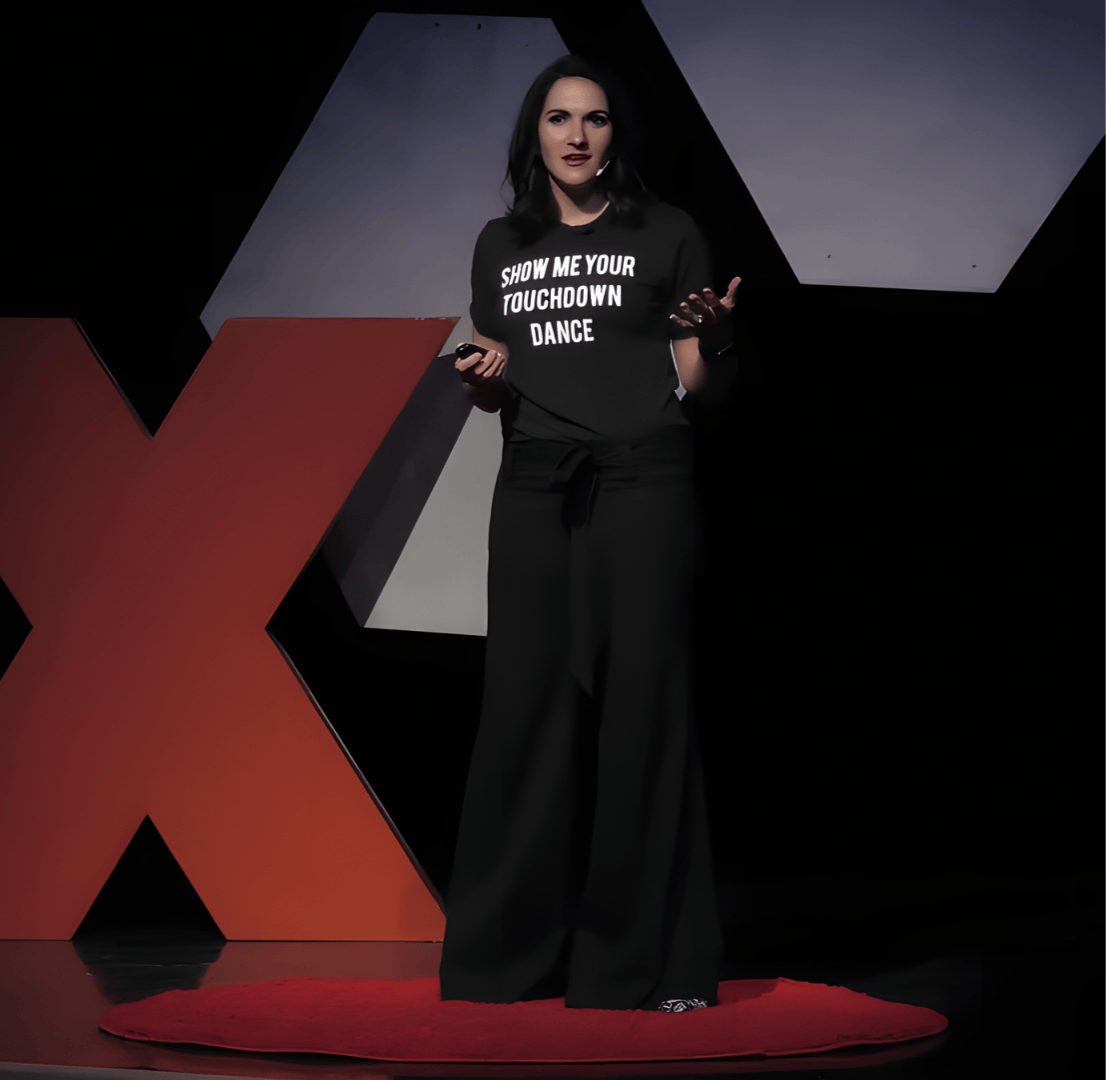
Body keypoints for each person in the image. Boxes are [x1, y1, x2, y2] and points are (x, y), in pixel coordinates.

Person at [438, 54, 740, 1013]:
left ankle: (644, 968)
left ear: (617, 136)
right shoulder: (499, 245)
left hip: (643, 483)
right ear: (535, 132)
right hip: (532, 488)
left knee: (642, 715)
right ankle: (501, 964)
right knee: (524, 718)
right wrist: (484, 384)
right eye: (560, 118)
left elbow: (701, 388)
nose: (577, 135)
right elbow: (502, 384)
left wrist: (714, 338)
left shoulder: (668, 232)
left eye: (596, 119)